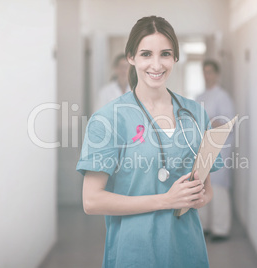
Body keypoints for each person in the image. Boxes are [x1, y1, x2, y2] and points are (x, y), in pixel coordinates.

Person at [76, 16, 223, 267]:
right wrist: (167, 200)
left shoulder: (195, 113)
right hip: (134, 251)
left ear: (175, 58)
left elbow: (206, 189)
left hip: (187, 249)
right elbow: (92, 201)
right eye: (146, 54)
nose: (156, 64)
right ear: (131, 57)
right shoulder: (108, 119)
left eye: (165, 54)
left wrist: (200, 198)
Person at [196, 59, 235, 241]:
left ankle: (220, 228)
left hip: (220, 147)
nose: (207, 75)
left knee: (218, 187)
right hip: (203, 146)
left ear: (217, 74)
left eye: (210, 71)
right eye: (204, 71)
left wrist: (208, 121)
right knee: (202, 186)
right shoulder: (201, 96)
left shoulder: (222, 96)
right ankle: (205, 226)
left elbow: (226, 122)